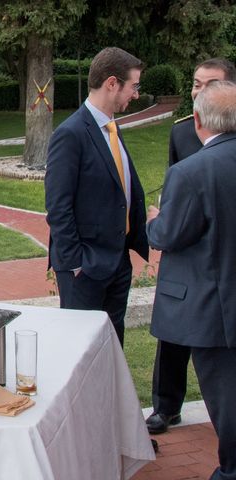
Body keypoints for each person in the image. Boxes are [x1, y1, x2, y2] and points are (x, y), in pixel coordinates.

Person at [146, 80, 236, 480]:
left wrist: (154, 220)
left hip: (213, 306)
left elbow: (169, 235)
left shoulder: (191, 171)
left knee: (226, 398)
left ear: (197, 120)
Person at [45, 47, 149, 347]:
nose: (137, 94)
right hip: (85, 269)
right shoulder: (71, 134)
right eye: (134, 86)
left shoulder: (112, 128)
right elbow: (58, 206)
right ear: (112, 83)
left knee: (111, 349)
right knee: (81, 351)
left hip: (117, 261)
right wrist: (77, 264)